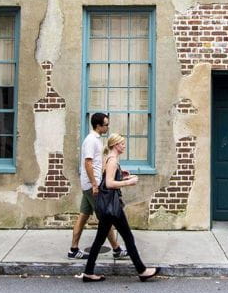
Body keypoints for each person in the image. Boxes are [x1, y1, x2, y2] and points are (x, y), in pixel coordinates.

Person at [81, 133, 160, 282]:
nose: (124, 146)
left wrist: (121, 176)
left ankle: (88, 272)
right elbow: (109, 184)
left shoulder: (111, 160)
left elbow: (105, 180)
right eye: (122, 144)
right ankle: (142, 270)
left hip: (107, 208)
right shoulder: (112, 161)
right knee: (128, 237)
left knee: (99, 240)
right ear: (116, 145)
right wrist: (128, 183)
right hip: (113, 208)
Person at [68, 112, 128, 260]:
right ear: (98, 126)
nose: (108, 127)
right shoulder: (91, 141)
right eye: (106, 124)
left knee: (83, 216)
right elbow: (88, 163)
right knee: (105, 217)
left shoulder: (97, 140)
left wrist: (117, 170)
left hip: (90, 184)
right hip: (91, 186)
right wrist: (95, 184)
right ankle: (116, 249)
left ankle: (73, 250)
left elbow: (97, 163)